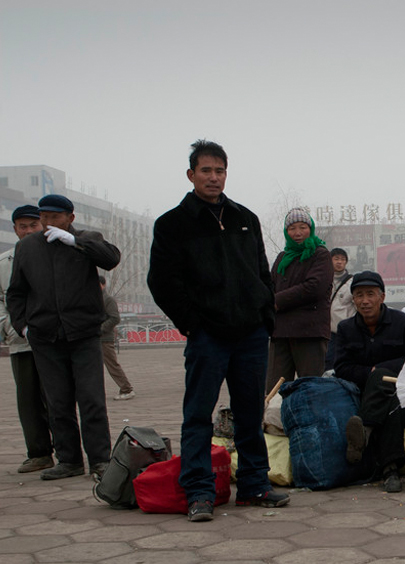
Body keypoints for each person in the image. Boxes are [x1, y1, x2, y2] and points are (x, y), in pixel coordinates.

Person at [147, 139, 288, 522]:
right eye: (206, 171)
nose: (213, 177)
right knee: (198, 414)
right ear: (191, 175)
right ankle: (199, 491)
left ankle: (255, 485)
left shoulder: (245, 218)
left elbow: (262, 272)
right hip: (208, 336)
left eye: (220, 171)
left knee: (248, 412)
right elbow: (162, 282)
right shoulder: (173, 224)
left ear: (227, 174)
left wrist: (265, 315)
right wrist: (193, 323)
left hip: (250, 335)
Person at [7, 194, 120, 481]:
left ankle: (99, 460)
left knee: (91, 398)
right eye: (44, 217)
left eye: (55, 217)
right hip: (45, 335)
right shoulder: (27, 247)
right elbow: (17, 292)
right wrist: (23, 326)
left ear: (70, 218)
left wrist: (76, 243)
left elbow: (111, 258)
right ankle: (68, 459)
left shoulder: (86, 239)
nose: (48, 222)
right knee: (58, 401)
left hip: (83, 333)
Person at [334, 271, 405, 493]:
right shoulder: (346, 329)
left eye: (370, 294)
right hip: (363, 398)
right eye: (359, 295)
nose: (365, 301)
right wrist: (372, 372)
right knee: (385, 393)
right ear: (353, 299)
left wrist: (384, 370)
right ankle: (391, 471)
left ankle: (365, 430)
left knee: (390, 394)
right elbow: (341, 368)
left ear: (382, 296)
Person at [0, 205, 54, 474]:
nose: (29, 230)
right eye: (23, 226)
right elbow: (2, 300)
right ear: (15, 230)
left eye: (34, 225)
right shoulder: (3, 263)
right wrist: (10, 327)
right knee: (29, 399)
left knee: (58, 397)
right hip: (20, 342)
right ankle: (39, 453)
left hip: (54, 340)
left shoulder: (56, 254)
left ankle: (69, 452)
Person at [267, 208, 333, 390]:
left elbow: (314, 288)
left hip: (309, 331)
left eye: (302, 227)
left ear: (310, 229)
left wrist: (276, 301)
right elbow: (269, 285)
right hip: (280, 332)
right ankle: (273, 419)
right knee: (274, 389)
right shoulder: (282, 257)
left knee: (310, 387)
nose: (297, 233)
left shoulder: (320, 254)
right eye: (292, 228)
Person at [99, 276, 135, 400]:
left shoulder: (108, 300)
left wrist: (100, 329)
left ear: (102, 285)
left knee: (112, 365)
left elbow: (115, 318)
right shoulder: (96, 298)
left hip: (104, 339)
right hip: (94, 339)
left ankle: (126, 389)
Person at [326, 247, 355, 370]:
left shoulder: (352, 282)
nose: (339, 262)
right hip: (327, 332)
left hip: (346, 331)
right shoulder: (323, 280)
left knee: (346, 361)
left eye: (343, 259)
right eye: (336, 259)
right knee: (328, 362)